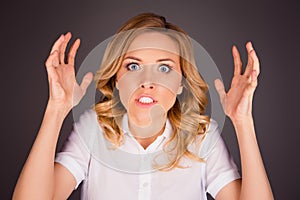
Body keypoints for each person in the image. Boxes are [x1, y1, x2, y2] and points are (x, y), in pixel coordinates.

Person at [13, 13, 274, 200]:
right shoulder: (94, 128)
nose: (147, 82)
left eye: (164, 68)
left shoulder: (201, 136)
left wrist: (243, 122)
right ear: (117, 77)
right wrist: (56, 109)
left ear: (182, 83)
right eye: (133, 66)